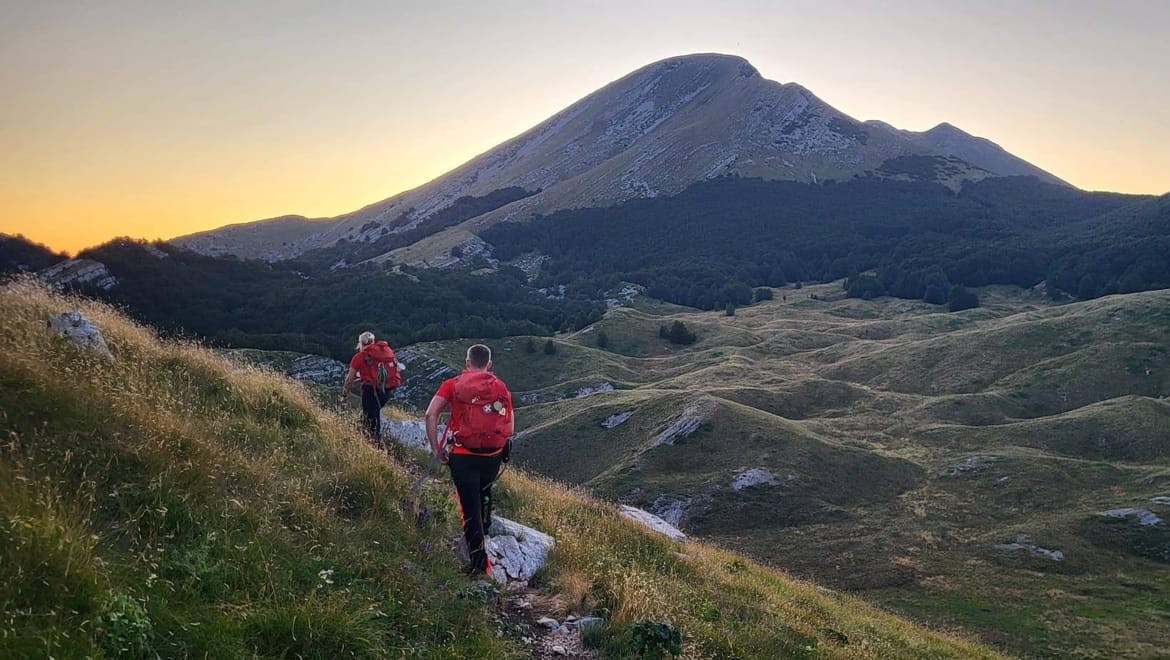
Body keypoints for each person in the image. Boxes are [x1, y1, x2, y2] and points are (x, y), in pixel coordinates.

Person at [425, 343, 514, 576]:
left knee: (469, 510)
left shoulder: (452, 385)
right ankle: (485, 527)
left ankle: (478, 565)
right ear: (489, 365)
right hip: (492, 456)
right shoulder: (501, 388)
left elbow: (430, 413)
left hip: (464, 456)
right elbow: (511, 427)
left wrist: (436, 448)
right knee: (485, 491)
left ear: (467, 363)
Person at [340, 331, 400, 448]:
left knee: (371, 423)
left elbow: (349, 380)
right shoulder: (385, 352)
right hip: (386, 390)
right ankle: (365, 441)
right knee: (369, 416)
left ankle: (377, 449)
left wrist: (344, 396)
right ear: (373, 341)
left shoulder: (359, 357)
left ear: (360, 343)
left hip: (370, 391)